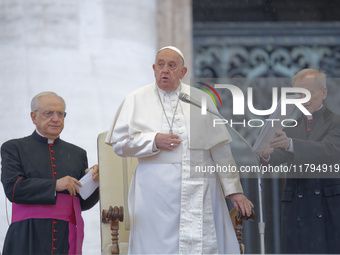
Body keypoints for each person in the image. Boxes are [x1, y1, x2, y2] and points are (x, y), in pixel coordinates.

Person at [105, 46, 254, 254]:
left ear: (183, 72)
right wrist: (153, 141)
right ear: (154, 68)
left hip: (201, 188)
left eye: (172, 65)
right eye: (161, 65)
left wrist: (235, 191)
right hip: (156, 194)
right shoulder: (135, 99)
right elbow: (120, 145)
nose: (165, 70)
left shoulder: (201, 99)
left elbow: (220, 149)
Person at [1, 91, 100, 255]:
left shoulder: (78, 153)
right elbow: (13, 188)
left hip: (65, 237)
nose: (56, 118)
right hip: (27, 235)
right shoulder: (14, 148)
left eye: (60, 114)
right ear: (33, 117)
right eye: (49, 113)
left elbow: (81, 202)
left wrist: (96, 181)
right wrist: (55, 185)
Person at [260, 69, 340, 254]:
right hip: (298, 208)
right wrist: (267, 154)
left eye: (310, 92)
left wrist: (291, 144)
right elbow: (280, 157)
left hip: (329, 206)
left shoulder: (336, 122)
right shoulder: (291, 126)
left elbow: (329, 150)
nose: (305, 99)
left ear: (324, 92)